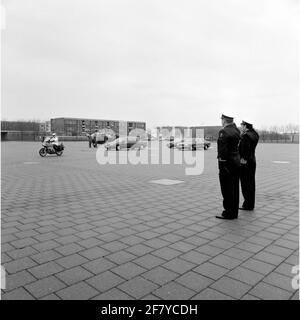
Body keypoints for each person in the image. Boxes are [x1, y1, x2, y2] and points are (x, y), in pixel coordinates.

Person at [216, 114, 241, 220]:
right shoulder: (236, 130)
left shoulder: (224, 131)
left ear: (224, 120)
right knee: (234, 188)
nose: (221, 121)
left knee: (226, 188)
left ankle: (228, 212)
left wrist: (221, 163)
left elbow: (222, 151)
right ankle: (234, 211)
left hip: (226, 164)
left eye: (221, 119)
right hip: (236, 162)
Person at [239, 120, 259, 211]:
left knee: (245, 184)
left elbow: (244, 150)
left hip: (245, 162)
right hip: (252, 161)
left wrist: (243, 159)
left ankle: (247, 205)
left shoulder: (246, 135)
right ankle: (251, 204)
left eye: (242, 125)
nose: (241, 126)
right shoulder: (255, 134)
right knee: (251, 183)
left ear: (245, 125)